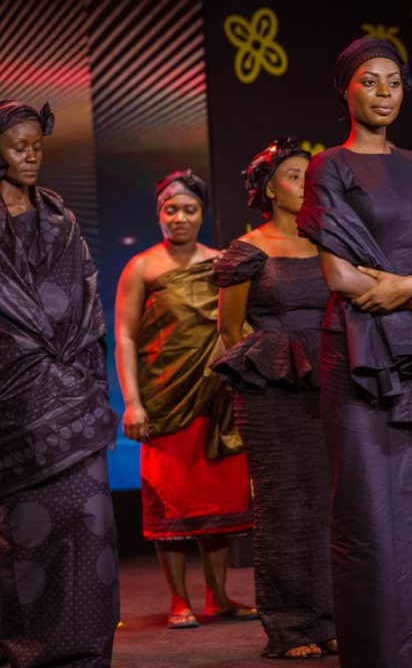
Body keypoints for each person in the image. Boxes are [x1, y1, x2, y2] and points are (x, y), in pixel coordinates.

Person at [296, 38, 412, 667]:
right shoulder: (330, 167)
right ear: (346, 89)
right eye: (370, 82)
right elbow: (343, 280)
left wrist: (409, 287)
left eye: (394, 82)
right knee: (369, 515)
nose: (384, 93)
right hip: (358, 352)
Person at [0, 99, 120, 667]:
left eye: (37, 144)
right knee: (21, 540)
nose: (30, 154)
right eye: (17, 144)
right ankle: (26, 653)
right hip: (12, 405)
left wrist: (84, 377)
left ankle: (85, 654)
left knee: (90, 525)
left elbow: (87, 300)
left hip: (74, 399)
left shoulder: (60, 219)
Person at [114, 170, 256, 630]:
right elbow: (124, 337)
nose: (179, 217)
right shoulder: (142, 267)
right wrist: (131, 402)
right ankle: (179, 600)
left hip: (215, 396)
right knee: (171, 506)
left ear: (202, 214)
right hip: (164, 401)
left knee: (214, 502)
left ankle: (218, 597)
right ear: (158, 215)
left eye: (188, 209)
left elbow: (238, 325)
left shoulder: (221, 263)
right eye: (169, 210)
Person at [212, 137, 335, 659]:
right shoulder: (249, 250)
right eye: (293, 175)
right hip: (272, 391)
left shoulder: (329, 240)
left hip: (330, 382)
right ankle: (288, 626)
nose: (305, 183)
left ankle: (329, 617)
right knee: (286, 506)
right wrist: (265, 367)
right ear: (268, 187)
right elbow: (229, 328)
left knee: (331, 506)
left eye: (311, 174)